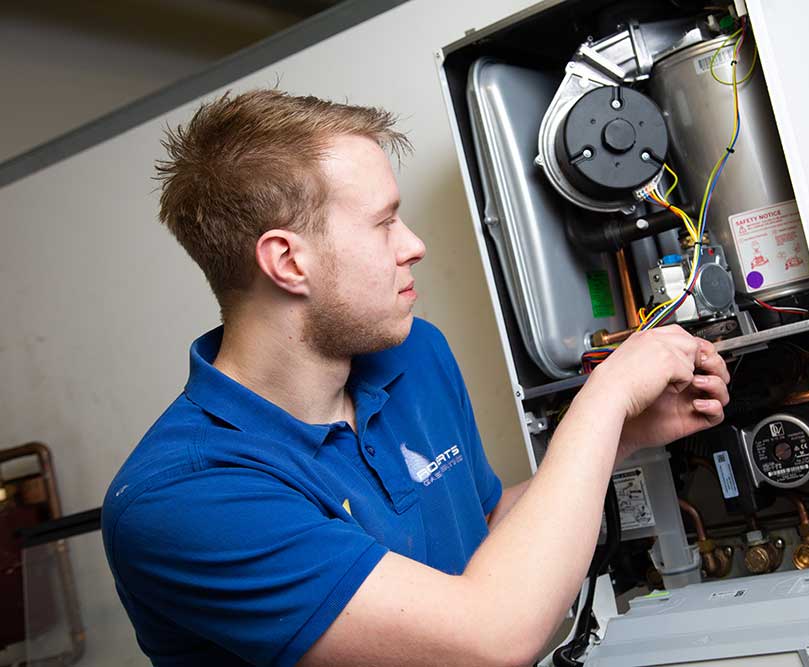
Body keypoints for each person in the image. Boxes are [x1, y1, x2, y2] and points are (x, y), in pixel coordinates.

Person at [102, 89, 730, 667]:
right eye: (384, 222)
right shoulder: (184, 499)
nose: (415, 244)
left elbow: (479, 534)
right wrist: (605, 397)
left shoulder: (413, 355)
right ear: (288, 261)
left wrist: (620, 436)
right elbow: (489, 637)